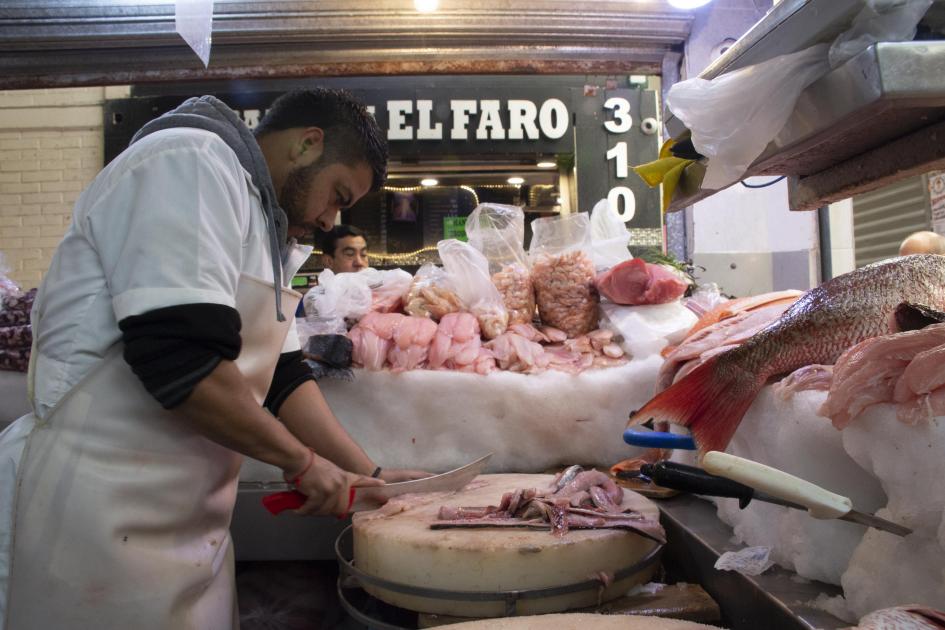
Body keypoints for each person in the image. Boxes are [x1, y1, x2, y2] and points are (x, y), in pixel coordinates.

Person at [0, 89, 426, 629]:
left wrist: (370, 476)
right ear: (307, 144)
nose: (330, 220)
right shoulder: (190, 162)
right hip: (92, 511)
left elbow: (281, 377)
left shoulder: (263, 223)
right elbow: (181, 360)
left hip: (188, 521)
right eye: (337, 195)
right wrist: (301, 463)